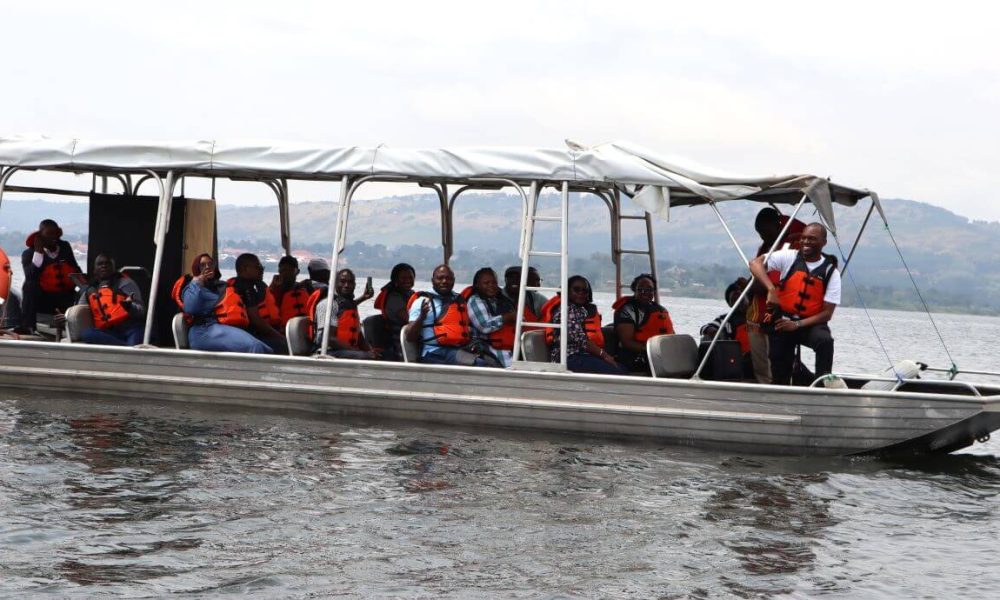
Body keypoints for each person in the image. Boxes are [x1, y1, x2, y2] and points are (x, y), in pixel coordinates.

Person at [749, 222, 841, 386]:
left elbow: (827, 314)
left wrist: (797, 324)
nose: (805, 242)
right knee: (779, 360)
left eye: (812, 239)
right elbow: (755, 263)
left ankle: (822, 385)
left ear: (823, 242)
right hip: (783, 320)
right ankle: (780, 386)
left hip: (810, 324)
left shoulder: (831, 272)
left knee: (825, 341)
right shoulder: (789, 257)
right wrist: (771, 289)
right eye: (803, 238)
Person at [745, 207, 807, 384]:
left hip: (776, 315)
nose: (763, 237)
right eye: (760, 233)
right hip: (757, 314)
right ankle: (765, 387)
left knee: (776, 362)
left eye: (765, 232)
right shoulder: (767, 247)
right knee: (761, 365)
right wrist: (749, 284)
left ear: (777, 225)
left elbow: (774, 281)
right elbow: (757, 274)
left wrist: (754, 286)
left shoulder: (792, 245)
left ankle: (776, 388)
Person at [174, 253, 272, 354]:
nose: (207, 267)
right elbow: (190, 308)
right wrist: (197, 283)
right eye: (203, 265)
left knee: (269, 346)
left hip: (222, 328)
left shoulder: (220, 287)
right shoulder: (192, 288)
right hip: (203, 331)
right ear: (197, 269)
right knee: (255, 346)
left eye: (210, 264)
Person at [405, 264, 493, 367]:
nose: (444, 281)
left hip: (458, 348)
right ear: (432, 280)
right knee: (480, 364)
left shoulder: (458, 300)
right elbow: (409, 337)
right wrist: (421, 317)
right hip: (434, 352)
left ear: (454, 280)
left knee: (491, 361)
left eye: (449, 278)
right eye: (440, 278)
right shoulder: (422, 301)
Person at [542, 275, 624, 375]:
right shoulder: (567, 310)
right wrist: (605, 355)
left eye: (584, 291)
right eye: (576, 289)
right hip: (568, 358)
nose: (581, 293)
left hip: (581, 355)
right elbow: (582, 341)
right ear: (567, 291)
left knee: (621, 367)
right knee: (619, 371)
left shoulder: (580, 310)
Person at [18, 219, 82, 334]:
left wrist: (85, 284)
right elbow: (30, 276)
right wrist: (38, 253)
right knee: (29, 286)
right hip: (43, 299)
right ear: (40, 236)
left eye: (55, 233)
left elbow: (75, 269)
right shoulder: (28, 254)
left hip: (64, 297)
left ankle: (77, 324)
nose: (53, 237)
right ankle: (28, 326)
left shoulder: (65, 247)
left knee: (84, 289)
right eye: (49, 234)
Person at [73, 254, 146, 346]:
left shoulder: (126, 283)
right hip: (109, 332)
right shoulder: (89, 290)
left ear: (114, 267)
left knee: (137, 340)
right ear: (95, 269)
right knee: (87, 334)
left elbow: (141, 311)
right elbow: (77, 312)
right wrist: (65, 319)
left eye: (107, 263)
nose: (104, 266)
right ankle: (126, 348)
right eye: (100, 264)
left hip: (131, 328)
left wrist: (130, 307)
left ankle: (126, 348)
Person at [308, 268, 377, 359]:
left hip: (347, 350)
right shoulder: (328, 305)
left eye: (350, 282)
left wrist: (370, 351)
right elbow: (329, 339)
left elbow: (359, 336)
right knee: (366, 357)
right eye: (342, 282)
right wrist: (357, 351)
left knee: (379, 355)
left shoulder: (350, 306)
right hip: (328, 351)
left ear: (354, 285)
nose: (346, 285)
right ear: (335, 283)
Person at [613, 273, 674, 373]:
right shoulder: (627, 310)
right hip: (635, 358)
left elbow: (672, 335)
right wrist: (653, 351)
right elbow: (627, 342)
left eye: (649, 289)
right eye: (640, 289)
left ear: (654, 291)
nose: (644, 292)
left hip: (661, 356)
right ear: (634, 290)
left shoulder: (661, 310)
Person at [230, 253, 287, 355]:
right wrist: (281, 337)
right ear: (245, 269)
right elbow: (256, 320)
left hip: (237, 334)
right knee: (284, 346)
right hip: (248, 336)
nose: (261, 270)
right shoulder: (247, 288)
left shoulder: (233, 284)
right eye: (258, 267)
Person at [463, 267, 517, 367]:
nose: (491, 285)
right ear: (477, 285)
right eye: (486, 283)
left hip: (508, 347)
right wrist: (508, 317)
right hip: (487, 349)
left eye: (494, 282)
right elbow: (484, 325)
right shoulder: (475, 300)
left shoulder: (499, 300)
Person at [699, 280, 753, 378]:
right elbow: (704, 328)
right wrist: (714, 332)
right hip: (738, 360)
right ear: (730, 304)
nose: (739, 300)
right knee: (706, 339)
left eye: (741, 296)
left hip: (759, 357)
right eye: (734, 298)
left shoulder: (757, 316)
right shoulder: (725, 319)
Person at [374, 262, 417, 361]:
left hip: (411, 335)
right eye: (403, 278)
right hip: (398, 341)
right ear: (395, 280)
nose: (408, 280)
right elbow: (409, 319)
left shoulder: (411, 294)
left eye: (410, 277)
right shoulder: (394, 298)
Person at [270, 255, 315, 328]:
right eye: (284, 270)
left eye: (290, 270)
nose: (286, 273)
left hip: (307, 329)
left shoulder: (307, 287)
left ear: (297, 272)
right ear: (279, 271)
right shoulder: (275, 291)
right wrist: (273, 287)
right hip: (285, 331)